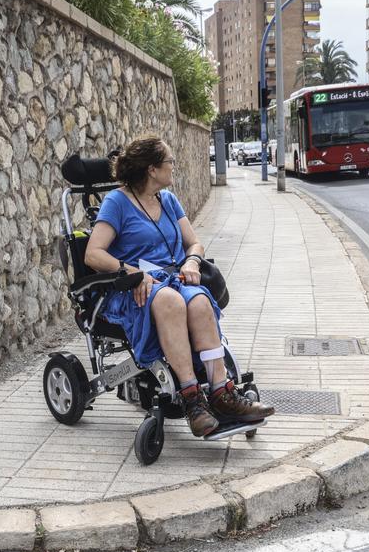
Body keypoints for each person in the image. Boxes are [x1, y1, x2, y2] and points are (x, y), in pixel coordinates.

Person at [84, 135, 275, 437]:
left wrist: (192, 263)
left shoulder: (168, 201)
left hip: (174, 277)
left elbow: (194, 242)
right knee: (172, 301)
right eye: (169, 161)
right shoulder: (117, 202)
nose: (174, 166)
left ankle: (222, 394)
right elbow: (93, 254)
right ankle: (191, 400)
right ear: (151, 169)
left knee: (199, 301)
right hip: (134, 287)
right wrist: (134, 272)